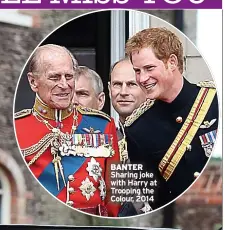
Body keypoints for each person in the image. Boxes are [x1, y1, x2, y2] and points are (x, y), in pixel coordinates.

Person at [14, 44, 120, 217]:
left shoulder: (102, 125)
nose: (64, 85)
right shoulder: (17, 127)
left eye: (69, 76)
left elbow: (113, 192)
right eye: (55, 77)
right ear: (33, 82)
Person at [124, 27, 218, 209]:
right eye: (137, 70)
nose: (142, 78)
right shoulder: (137, 130)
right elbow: (156, 201)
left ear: (172, 62)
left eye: (149, 68)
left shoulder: (214, 101)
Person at [109, 58, 150, 216]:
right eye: (117, 84)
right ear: (109, 88)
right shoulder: (106, 138)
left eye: (132, 84)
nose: (123, 92)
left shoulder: (163, 137)